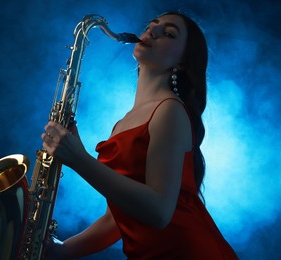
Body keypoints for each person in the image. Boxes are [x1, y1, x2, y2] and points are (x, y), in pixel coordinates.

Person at [42, 11, 238, 259]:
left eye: (168, 33)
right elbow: (117, 218)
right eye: (151, 25)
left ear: (182, 62)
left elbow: (158, 212)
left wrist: (79, 159)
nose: (152, 32)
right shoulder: (122, 123)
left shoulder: (170, 110)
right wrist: (62, 249)